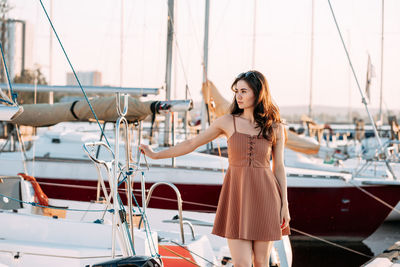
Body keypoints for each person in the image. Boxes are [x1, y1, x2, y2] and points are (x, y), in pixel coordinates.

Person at [139, 70, 290, 267]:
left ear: (258, 93)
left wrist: (284, 204)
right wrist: (156, 154)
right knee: (242, 263)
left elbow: (279, 168)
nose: (238, 96)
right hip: (236, 198)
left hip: (267, 197)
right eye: (236, 91)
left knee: (261, 263)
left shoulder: (275, 128)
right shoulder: (227, 122)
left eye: (244, 91)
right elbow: (191, 143)